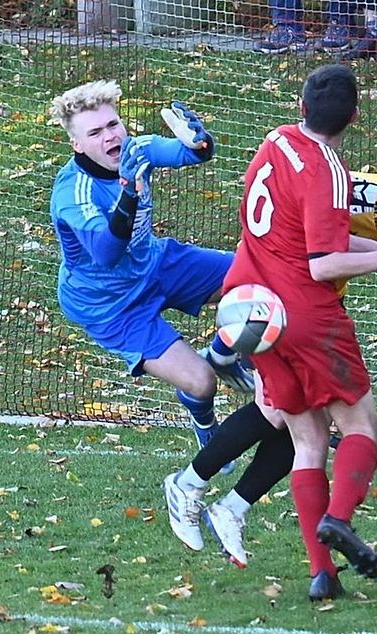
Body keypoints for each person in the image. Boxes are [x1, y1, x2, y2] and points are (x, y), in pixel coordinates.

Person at [163, 167, 377, 588]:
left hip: (303, 305)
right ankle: (192, 485)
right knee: (283, 414)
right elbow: (320, 242)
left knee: (301, 426)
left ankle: (256, 524)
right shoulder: (346, 195)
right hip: (273, 300)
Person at [225, 64, 377, 600]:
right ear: (354, 116)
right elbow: (324, 262)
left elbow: (297, 228)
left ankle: (322, 574)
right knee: (362, 426)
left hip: (256, 312)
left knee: (308, 440)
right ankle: (341, 519)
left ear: (301, 106)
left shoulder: (275, 141)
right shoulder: (329, 174)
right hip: (305, 313)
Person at [47, 80, 254, 468]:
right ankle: (203, 420)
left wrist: (200, 141)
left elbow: (192, 154)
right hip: (111, 306)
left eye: (113, 125)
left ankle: (243, 368)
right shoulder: (72, 194)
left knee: (258, 275)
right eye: (95, 132)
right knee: (201, 383)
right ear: (77, 144)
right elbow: (107, 253)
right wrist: (128, 190)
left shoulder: (136, 150)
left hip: (156, 264)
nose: (110, 136)